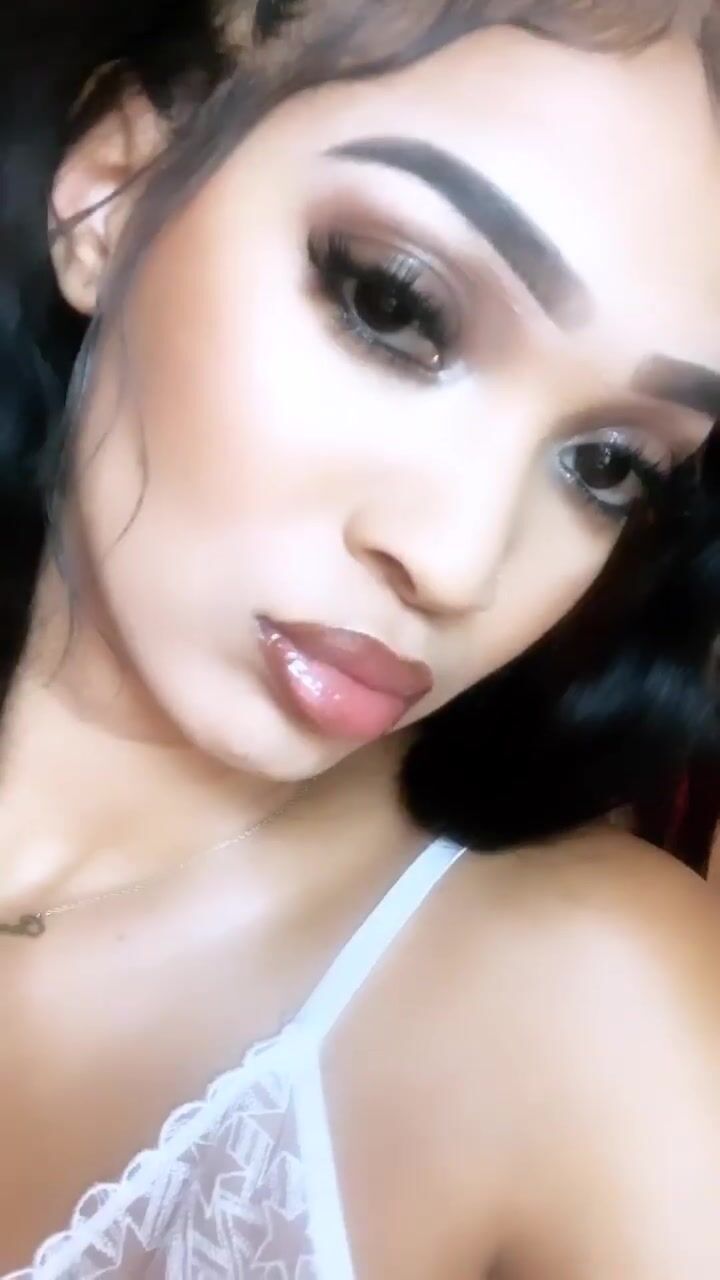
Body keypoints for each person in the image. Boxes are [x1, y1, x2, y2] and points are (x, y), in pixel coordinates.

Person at [1, 0, 720, 1274]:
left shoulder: (596, 1018)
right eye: (395, 303)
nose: (456, 561)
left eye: (609, 463)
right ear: (114, 189)